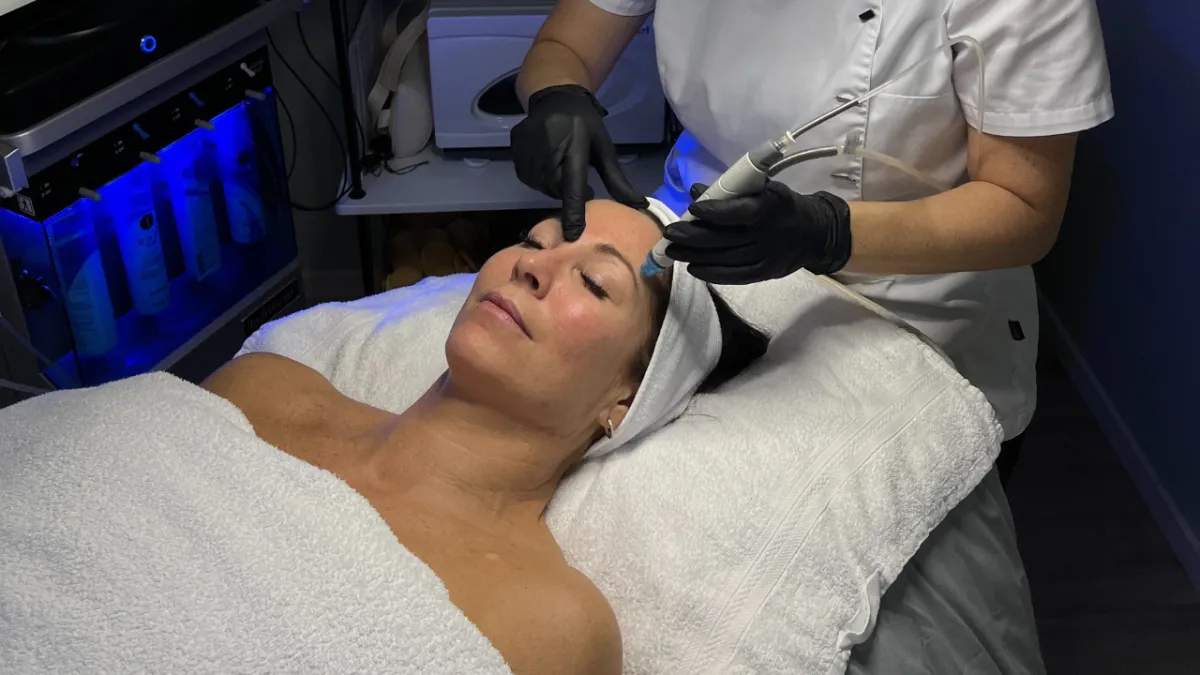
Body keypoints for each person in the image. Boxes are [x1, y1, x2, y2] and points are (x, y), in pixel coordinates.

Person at [510, 0, 1114, 483]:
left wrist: (826, 232)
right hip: (702, 248)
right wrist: (556, 94)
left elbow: (1023, 209)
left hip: (911, 302)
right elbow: (565, 47)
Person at [200, 200, 769, 675]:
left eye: (595, 283)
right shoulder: (263, 388)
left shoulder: (551, 627)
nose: (531, 266)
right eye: (534, 240)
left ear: (626, 399)